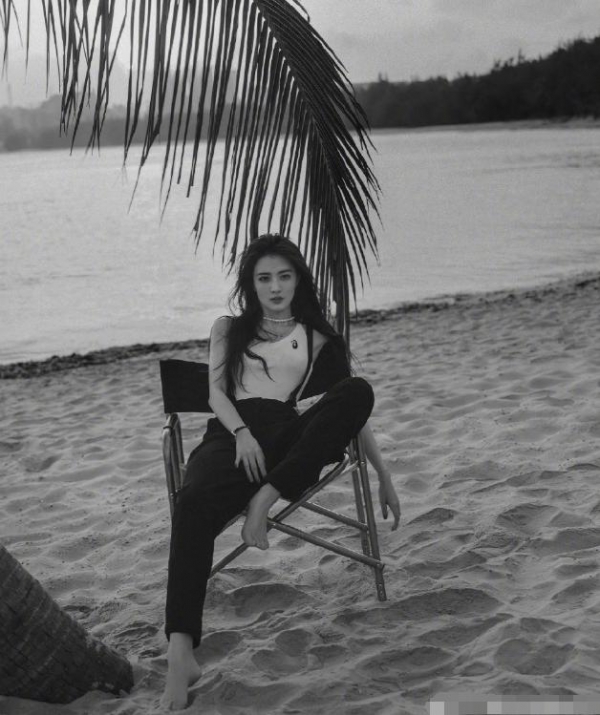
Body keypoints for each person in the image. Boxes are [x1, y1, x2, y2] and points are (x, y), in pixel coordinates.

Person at [161, 234, 400, 710]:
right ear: (251, 284)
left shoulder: (317, 337)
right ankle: (180, 653)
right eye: (264, 278)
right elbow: (215, 394)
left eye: (284, 276)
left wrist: (384, 474)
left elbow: (351, 412)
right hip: (229, 436)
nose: (275, 287)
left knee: (358, 390)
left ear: (298, 281)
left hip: (287, 438)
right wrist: (241, 433)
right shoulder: (227, 328)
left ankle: (265, 499)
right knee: (192, 501)